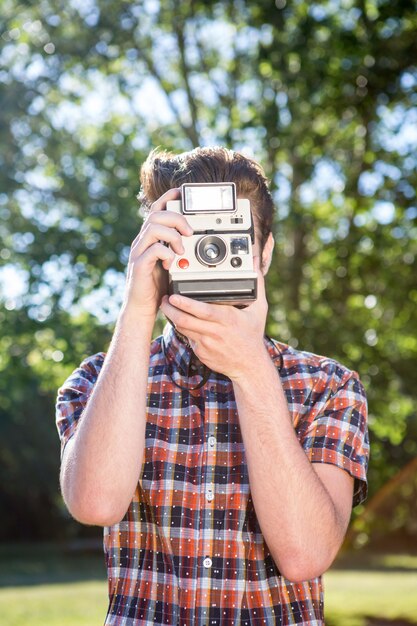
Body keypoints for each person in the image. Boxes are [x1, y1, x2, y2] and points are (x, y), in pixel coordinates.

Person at [56, 146, 369, 626]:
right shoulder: (98, 379)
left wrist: (250, 369)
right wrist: (137, 307)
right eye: (195, 241)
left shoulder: (327, 386)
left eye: (230, 241)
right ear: (155, 250)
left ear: (263, 252)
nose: (211, 257)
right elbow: (96, 503)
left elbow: (306, 555)